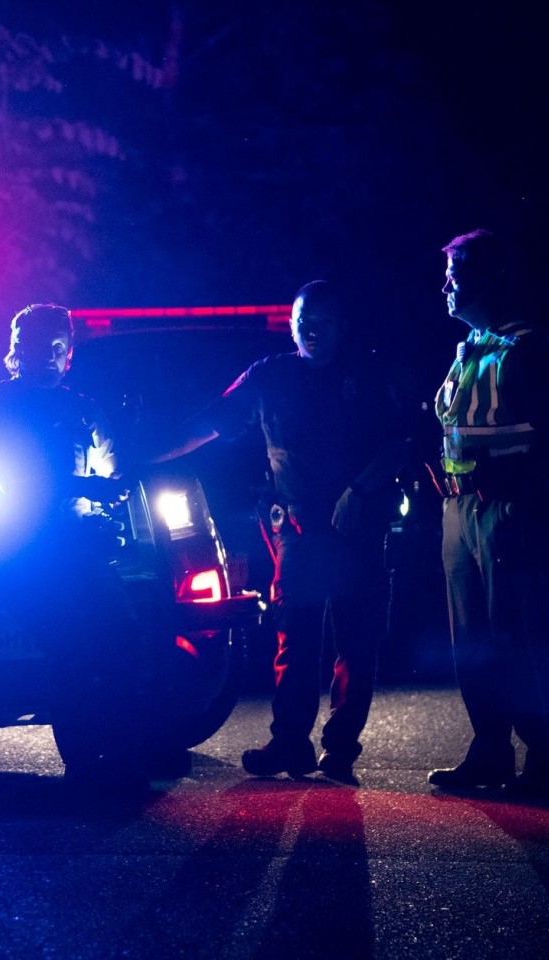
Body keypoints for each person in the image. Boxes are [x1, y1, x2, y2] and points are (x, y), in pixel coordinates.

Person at [140, 280, 410, 785]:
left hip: (357, 525)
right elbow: (209, 425)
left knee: (356, 639)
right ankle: (290, 743)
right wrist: (139, 458)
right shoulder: (271, 376)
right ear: (291, 324)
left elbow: (400, 443)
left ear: (342, 327)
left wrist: (359, 491)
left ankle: (340, 749)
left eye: (322, 322)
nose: (311, 331)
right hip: (298, 529)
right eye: (302, 321)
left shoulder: (369, 374)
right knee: (295, 634)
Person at [0, 303, 171, 790]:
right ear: (17, 350)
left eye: (58, 347)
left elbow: (114, 467)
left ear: (70, 352)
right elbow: (21, 483)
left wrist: (120, 473)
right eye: (38, 346)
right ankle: (84, 764)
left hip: (80, 550)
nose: (48, 357)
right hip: (29, 553)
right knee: (73, 655)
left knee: (119, 646)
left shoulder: (83, 407)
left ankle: (118, 758)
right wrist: (89, 489)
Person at [426, 228, 549, 800]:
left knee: (517, 637)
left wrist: (514, 499)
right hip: (460, 511)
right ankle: (490, 751)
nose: (446, 286)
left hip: (504, 511)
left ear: (490, 279)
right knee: (473, 641)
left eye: (456, 274)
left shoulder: (527, 346)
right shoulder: (471, 348)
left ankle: (546, 765)